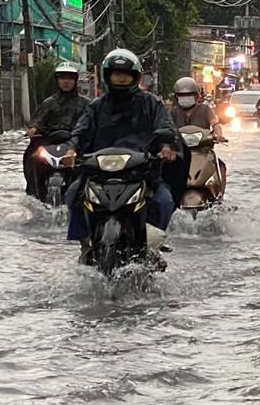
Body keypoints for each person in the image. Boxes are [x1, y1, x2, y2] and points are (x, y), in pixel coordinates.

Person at [64, 48, 180, 256]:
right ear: (108, 76)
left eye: (125, 74)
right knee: (73, 193)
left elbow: (167, 128)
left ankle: (154, 245)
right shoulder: (96, 106)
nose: (121, 79)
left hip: (141, 171)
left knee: (164, 201)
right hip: (99, 172)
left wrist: (166, 147)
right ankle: (85, 243)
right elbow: (80, 131)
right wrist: (72, 150)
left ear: (134, 77)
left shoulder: (150, 103)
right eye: (116, 74)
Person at [23, 61, 90, 196]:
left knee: (90, 163)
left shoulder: (85, 103)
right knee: (32, 158)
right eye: (62, 78)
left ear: (75, 81)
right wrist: (34, 129)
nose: (66, 81)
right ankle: (34, 194)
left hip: (75, 145)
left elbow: (91, 123)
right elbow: (37, 120)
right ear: (57, 80)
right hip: (49, 143)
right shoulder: (49, 103)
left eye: (70, 78)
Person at [169, 76, 226, 141]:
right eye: (181, 95)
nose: (185, 97)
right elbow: (166, 128)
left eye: (189, 94)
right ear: (176, 97)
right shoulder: (173, 112)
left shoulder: (205, 109)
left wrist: (219, 135)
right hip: (180, 148)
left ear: (196, 96)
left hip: (203, 147)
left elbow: (215, 123)